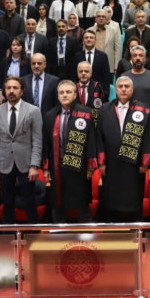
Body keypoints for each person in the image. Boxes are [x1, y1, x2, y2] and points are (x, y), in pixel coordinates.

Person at [98, 76, 150, 222]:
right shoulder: (105, 109)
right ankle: (114, 230)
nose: (123, 89)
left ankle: (136, 229)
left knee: (134, 200)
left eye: (127, 86)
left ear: (132, 89)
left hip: (134, 164)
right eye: (120, 86)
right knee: (111, 200)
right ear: (115, 90)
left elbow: (148, 137)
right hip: (111, 163)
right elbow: (99, 137)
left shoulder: (143, 109)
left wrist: (145, 163)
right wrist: (101, 162)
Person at [42, 80, 99, 223]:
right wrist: (46, 168)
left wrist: (90, 166)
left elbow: (92, 140)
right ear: (58, 96)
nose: (65, 95)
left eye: (68, 92)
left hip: (79, 166)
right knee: (58, 202)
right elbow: (46, 144)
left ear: (75, 95)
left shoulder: (86, 113)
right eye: (61, 92)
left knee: (81, 201)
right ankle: (58, 231)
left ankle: (86, 232)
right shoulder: (50, 115)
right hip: (57, 165)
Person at [0, 76, 44, 224]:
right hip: (4, 163)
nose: (11, 91)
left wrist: (35, 165)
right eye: (8, 88)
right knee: (7, 202)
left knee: (29, 201)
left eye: (15, 88)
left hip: (26, 164)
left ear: (22, 91)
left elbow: (37, 140)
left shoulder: (33, 111)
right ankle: (7, 234)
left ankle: (34, 233)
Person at [21, 53, 61, 118]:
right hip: (27, 119)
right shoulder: (23, 80)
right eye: (33, 63)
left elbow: (57, 102)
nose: (36, 66)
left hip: (47, 119)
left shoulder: (54, 80)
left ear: (45, 65)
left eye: (39, 63)